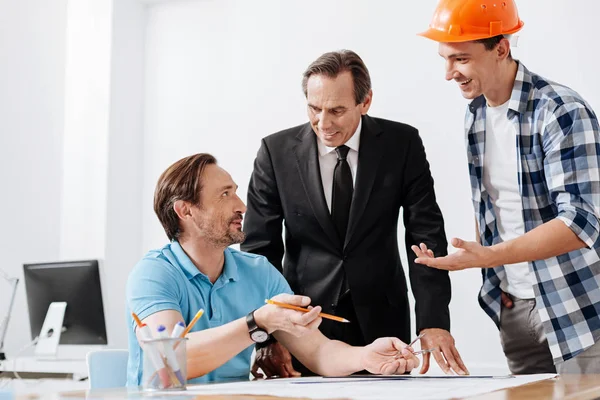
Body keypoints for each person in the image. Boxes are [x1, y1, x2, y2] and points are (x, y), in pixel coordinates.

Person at [242, 50, 468, 377]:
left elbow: (425, 235)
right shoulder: (275, 153)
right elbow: (258, 254)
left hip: (383, 322)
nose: (323, 123)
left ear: (366, 102)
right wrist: (269, 333)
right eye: (314, 108)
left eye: (336, 110)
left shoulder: (400, 144)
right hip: (303, 328)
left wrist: (433, 322)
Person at [415, 0, 600, 374]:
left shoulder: (560, 111)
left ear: (501, 48)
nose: (450, 73)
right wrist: (492, 276)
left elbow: (581, 222)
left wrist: (488, 256)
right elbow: (496, 205)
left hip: (578, 310)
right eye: (445, 58)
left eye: (461, 59)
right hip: (514, 308)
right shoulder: (476, 113)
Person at [125, 153, 420, 386]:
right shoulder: (154, 274)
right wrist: (258, 323)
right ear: (185, 210)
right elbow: (172, 359)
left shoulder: (259, 272)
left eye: (236, 193)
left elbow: (318, 352)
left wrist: (365, 356)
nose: (241, 206)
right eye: (225, 195)